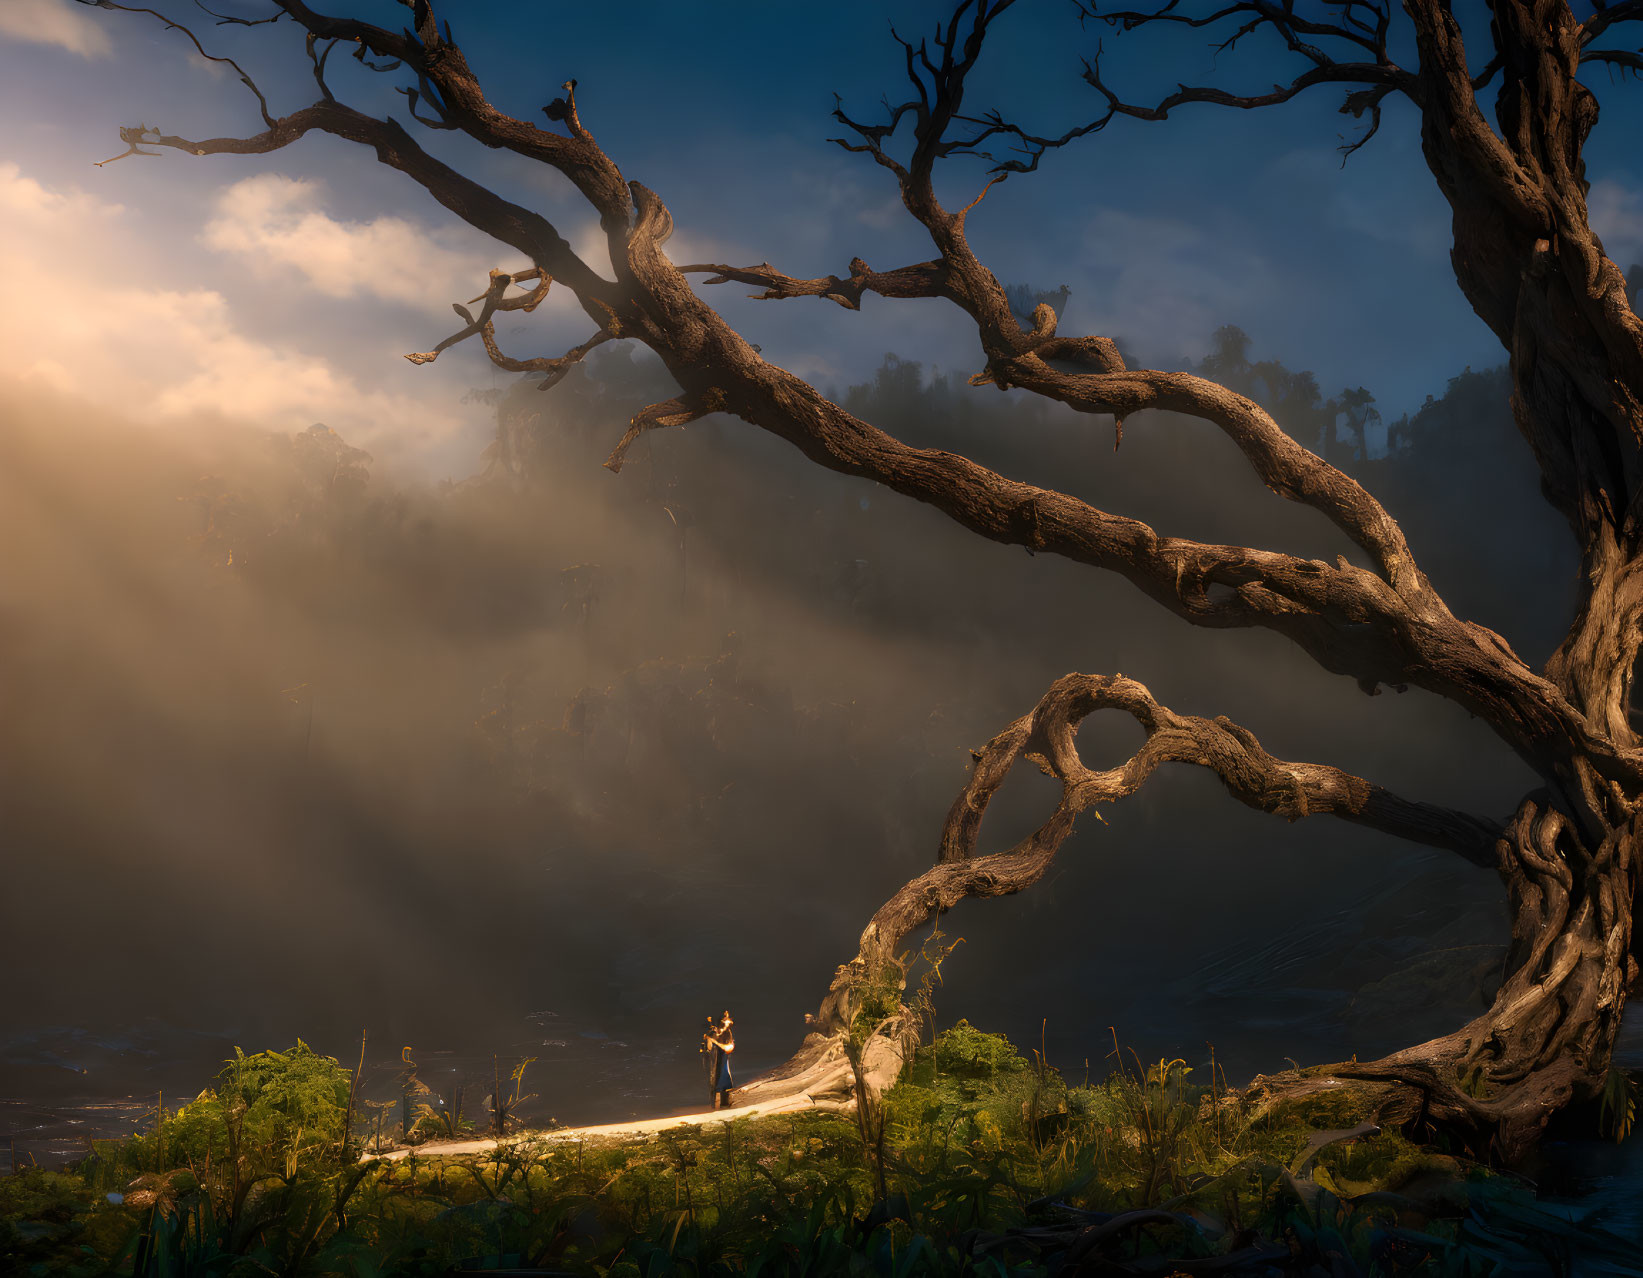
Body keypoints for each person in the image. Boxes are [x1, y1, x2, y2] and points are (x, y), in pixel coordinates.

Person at [705, 1010, 735, 1110]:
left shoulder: (727, 1033)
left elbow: (729, 1048)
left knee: (724, 1079)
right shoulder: (714, 1032)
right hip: (714, 1062)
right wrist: (710, 1040)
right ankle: (714, 1103)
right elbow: (708, 1048)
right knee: (714, 1080)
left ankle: (724, 1102)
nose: (728, 1023)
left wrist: (718, 1044)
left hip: (722, 1060)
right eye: (726, 1021)